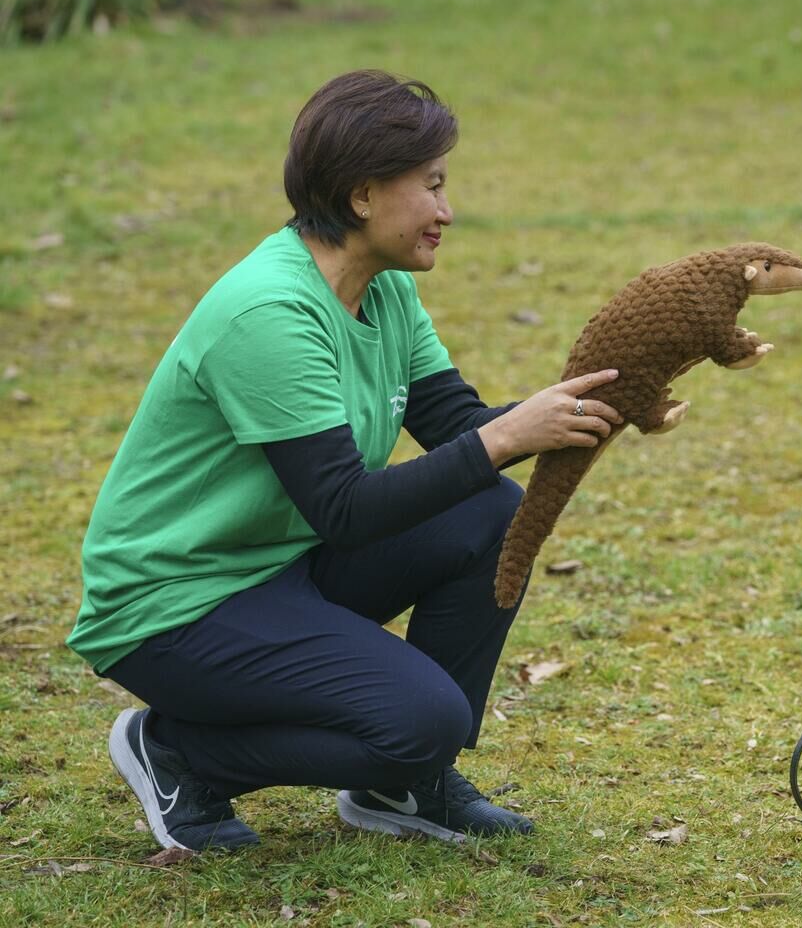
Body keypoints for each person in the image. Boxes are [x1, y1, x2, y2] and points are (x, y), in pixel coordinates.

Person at [66, 70, 624, 852]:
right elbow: (347, 510)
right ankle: (179, 754)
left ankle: (407, 785)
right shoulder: (270, 312)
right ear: (363, 196)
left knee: (492, 510)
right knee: (426, 719)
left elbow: (457, 424)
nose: (446, 211)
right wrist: (505, 438)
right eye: (430, 187)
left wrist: (610, 400)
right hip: (174, 605)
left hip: (275, 564)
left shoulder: (382, 289)